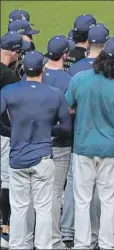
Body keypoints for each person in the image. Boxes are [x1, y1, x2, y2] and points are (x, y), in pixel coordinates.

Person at [65, 37, 114, 249]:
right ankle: (106, 244)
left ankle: (82, 244)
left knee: (82, 200)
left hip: (83, 147)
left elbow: (68, 108)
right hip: (110, 149)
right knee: (109, 200)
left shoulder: (79, 78)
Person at [0, 50, 72, 249]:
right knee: (43, 209)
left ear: (23, 69)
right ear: (43, 69)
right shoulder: (55, 94)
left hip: (17, 158)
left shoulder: (8, 91)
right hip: (43, 158)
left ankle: (17, 246)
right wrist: (47, 129)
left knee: (19, 207)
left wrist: (11, 131)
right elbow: (66, 127)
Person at [42, 34, 76, 249]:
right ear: (65, 55)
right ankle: (54, 241)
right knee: (54, 191)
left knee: (34, 193)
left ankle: (33, 238)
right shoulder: (69, 79)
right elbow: (73, 111)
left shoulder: (35, 75)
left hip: (34, 141)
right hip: (60, 143)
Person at [0, 31, 31, 249]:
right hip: (4, 133)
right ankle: (5, 228)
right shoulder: (9, 77)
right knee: (6, 180)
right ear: (13, 52)